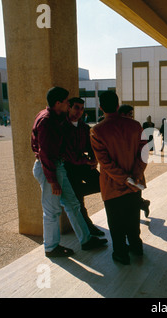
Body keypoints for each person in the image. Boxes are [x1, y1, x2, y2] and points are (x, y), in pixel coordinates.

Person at [31, 87, 107, 258]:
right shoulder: (47, 120)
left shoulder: (52, 118)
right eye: (66, 101)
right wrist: (53, 180)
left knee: (72, 204)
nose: (68, 104)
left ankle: (86, 240)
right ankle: (51, 247)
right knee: (52, 211)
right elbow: (45, 153)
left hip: (57, 167)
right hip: (49, 169)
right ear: (59, 103)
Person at [90, 91, 148, 265]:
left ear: (101, 108)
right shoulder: (136, 126)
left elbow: (105, 163)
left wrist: (124, 178)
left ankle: (121, 254)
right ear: (117, 105)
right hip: (135, 185)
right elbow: (144, 154)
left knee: (116, 224)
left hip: (112, 186)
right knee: (132, 219)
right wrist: (135, 176)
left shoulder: (97, 131)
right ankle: (137, 247)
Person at [62, 97, 104, 236]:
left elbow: (91, 145)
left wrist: (94, 159)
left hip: (83, 165)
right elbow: (67, 153)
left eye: (81, 108)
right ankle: (89, 228)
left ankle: (76, 192)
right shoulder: (62, 126)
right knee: (79, 203)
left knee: (102, 183)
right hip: (69, 168)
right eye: (76, 107)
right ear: (69, 108)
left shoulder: (84, 127)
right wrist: (86, 161)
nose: (79, 111)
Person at [118, 105, 151, 218]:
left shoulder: (136, 128)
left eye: (132, 114)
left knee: (134, 196)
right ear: (122, 114)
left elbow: (144, 151)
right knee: (127, 199)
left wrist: (138, 172)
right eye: (130, 114)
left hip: (134, 170)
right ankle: (143, 204)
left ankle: (142, 204)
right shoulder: (116, 128)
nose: (132, 117)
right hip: (122, 171)